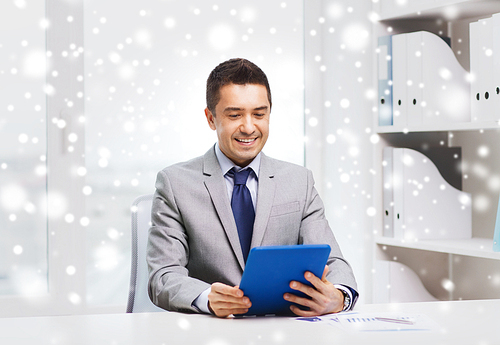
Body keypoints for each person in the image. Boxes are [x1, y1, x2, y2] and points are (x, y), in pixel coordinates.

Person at [147, 58, 358, 318]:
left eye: (259, 114)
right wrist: (207, 299)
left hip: (286, 331)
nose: (249, 127)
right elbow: (163, 276)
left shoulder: (299, 181)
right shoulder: (175, 183)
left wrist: (338, 297)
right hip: (212, 331)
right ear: (211, 118)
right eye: (235, 115)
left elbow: (334, 263)